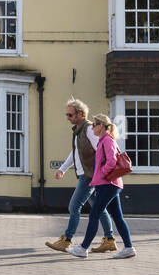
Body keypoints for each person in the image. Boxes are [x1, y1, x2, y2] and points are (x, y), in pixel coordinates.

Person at [46, 99, 116, 253]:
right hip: (89, 175)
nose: (68, 118)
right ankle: (109, 240)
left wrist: (100, 172)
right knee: (99, 207)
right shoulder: (79, 130)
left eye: (70, 114)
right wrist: (63, 168)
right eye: (67, 114)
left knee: (74, 205)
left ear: (80, 114)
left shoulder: (90, 129)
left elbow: (102, 148)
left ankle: (67, 240)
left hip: (89, 176)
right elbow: (75, 153)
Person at [67, 114, 136, 258]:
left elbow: (111, 162)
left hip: (108, 184)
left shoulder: (107, 141)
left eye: (95, 124)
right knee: (117, 217)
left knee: (94, 214)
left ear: (102, 126)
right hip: (109, 184)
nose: (92, 127)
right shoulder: (103, 141)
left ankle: (83, 248)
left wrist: (102, 174)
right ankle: (129, 248)